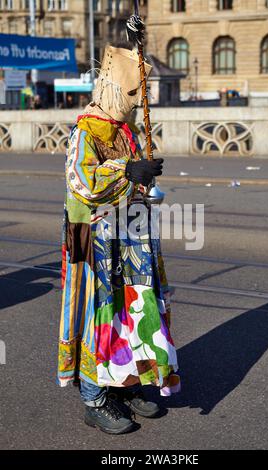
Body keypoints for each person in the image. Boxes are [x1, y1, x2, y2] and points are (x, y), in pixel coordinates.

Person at [57, 43, 180, 435]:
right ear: (111, 91)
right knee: (100, 316)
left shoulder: (123, 129)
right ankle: (95, 396)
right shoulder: (84, 131)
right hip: (93, 242)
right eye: (130, 95)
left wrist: (143, 176)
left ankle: (126, 382)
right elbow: (83, 182)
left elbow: (131, 180)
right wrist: (128, 170)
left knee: (132, 311)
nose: (133, 104)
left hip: (129, 237)